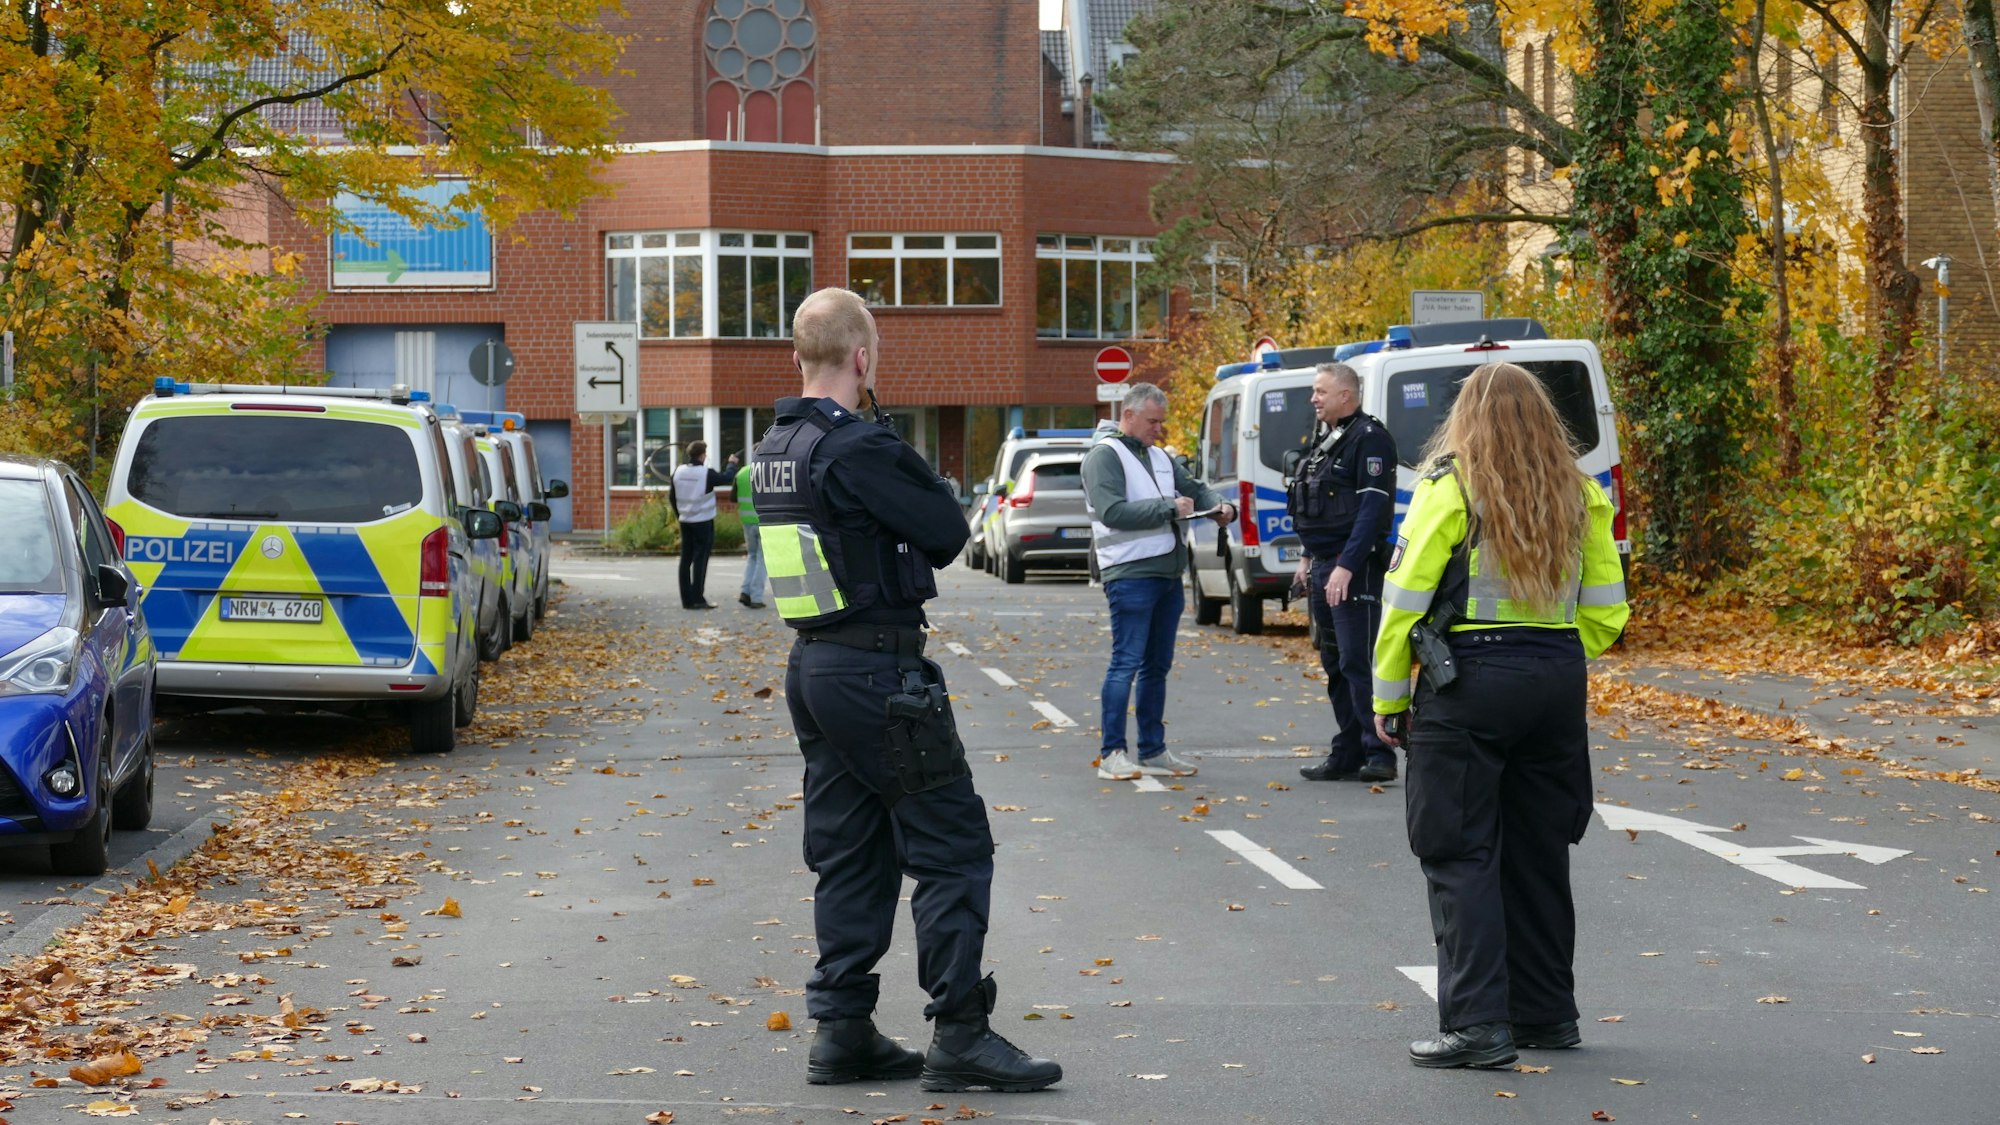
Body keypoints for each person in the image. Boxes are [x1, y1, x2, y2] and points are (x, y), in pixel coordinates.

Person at [753, 287, 1060, 1093]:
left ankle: (843, 1028)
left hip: (814, 666)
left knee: (853, 850)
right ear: (862, 358)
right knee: (953, 844)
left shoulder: (775, 443)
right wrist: (888, 437)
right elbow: (947, 531)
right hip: (876, 670)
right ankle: (960, 1030)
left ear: (797, 356)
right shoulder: (856, 447)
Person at [1370, 362, 1629, 1070]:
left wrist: (1389, 698)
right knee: (1538, 849)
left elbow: (1403, 603)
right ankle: (1547, 1014)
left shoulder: (1450, 488)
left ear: (1467, 420)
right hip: (1556, 676)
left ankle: (1477, 1024)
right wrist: (1553, 655)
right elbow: (1608, 609)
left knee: (1458, 851)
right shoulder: (1580, 491)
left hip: (1470, 682)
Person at [1081, 383, 1235, 780]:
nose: (1158, 429)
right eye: (1152, 421)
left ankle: (1152, 750)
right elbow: (1112, 511)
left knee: (1156, 666)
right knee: (1126, 663)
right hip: (1130, 573)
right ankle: (1112, 753)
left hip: (1166, 574)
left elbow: (1194, 488)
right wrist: (1168, 507)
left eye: (1161, 422)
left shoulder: (1159, 456)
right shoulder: (1104, 456)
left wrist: (1218, 507)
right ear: (1128, 415)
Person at [1288, 362, 1399, 783]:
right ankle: (1348, 750)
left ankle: (1381, 753)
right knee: (1334, 662)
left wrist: (1346, 567)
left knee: (1358, 660)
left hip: (1352, 568)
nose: (1314, 398)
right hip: (1323, 566)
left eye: (1320, 391)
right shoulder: (1329, 441)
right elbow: (1311, 506)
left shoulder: (1370, 440)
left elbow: (1371, 511)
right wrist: (1306, 559)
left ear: (1345, 396)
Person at [671, 440, 736, 610]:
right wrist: (732, 463)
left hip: (685, 521)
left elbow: (672, 497)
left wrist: (680, 515)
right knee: (700, 560)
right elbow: (726, 478)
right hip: (703, 522)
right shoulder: (705, 473)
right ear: (702, 455)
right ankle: (698, 598)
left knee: (685, 560)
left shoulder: (678, 472)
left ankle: (687, 600)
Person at [734, 452, 767, 608]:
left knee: (752, 556)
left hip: (747, 521)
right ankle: (756, 597)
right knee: (762, 559)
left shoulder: (741, 473)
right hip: (764, 521)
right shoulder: (766, 470)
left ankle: (745, 591)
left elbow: (733, 497)